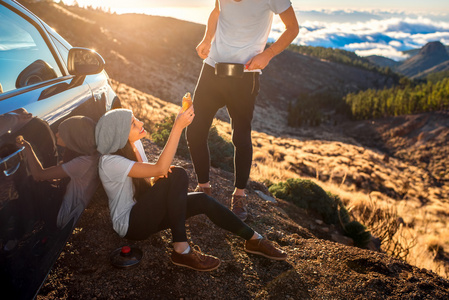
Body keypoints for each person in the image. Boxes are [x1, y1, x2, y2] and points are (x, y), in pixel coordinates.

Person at [95, 106, 287, 272]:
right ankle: (181, 249)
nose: (140, 122)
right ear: (119, 134)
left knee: (201, 199)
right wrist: (177, 127)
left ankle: (253, 239)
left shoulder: (134, 144)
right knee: (177, 173)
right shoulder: (109, 162)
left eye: (136, 118)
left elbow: (153, 176)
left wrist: (162, 179)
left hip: (147, 213)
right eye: (133, 123)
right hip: (131, 225)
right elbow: (159, 169)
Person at [186, 0, 299, 221]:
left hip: (245, 75)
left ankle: (239, 195)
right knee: (195, 130)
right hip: (212, 69)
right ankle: (204, 189)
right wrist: (207, 39)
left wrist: (268, 54)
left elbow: (292, 28)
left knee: (241, 136)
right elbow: (217, 11)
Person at [16, 116, 99, 230]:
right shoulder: (92, 155)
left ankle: (20, 228)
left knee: (30, 183)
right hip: (78, 207)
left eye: (61, 133)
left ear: (73, 137)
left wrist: (27, 147)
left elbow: (38, 174)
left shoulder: (81, 163)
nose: (56, 134)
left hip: (64, 216)